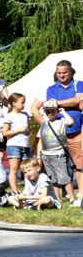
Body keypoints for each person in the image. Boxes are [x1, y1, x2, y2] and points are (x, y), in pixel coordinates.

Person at [30, 60, 83, 205]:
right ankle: (59, 196)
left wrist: (58, 102)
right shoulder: (51, 88)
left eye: (64, 72)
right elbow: (71, 103)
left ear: (71, 71)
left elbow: (78, 101)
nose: (61, 75)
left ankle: (80, 194)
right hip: (57, 137)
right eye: (59, 73)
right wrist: (46, 125)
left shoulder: (80, 84)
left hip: (76, 131)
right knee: (57, 168)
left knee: (79, 164)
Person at [38, 99, 75, 202]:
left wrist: (63, 112)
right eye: (47, 112)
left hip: (58, 154)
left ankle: (72, 198)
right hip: (46, 155)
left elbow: (71, 122)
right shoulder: (43, 125)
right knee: (52, 179)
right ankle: (56, 198)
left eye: (52, 111)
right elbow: (40, 142)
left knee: (64, 178)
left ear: (57, 110)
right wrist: (38, 156)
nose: (50, 114)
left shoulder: (61, 121)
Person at [3, 93, 34, 194]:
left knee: (27, 169)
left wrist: (29, 133)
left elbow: (27, 129)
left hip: (25, 145)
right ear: (14, 103)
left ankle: (27, 190)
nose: (24, 105)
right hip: (14, 145)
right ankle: (15, 191)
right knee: (14, 169)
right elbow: (5, 132)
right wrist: (19, 130)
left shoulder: (25, 115)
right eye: (22, 102)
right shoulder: (9, 116)